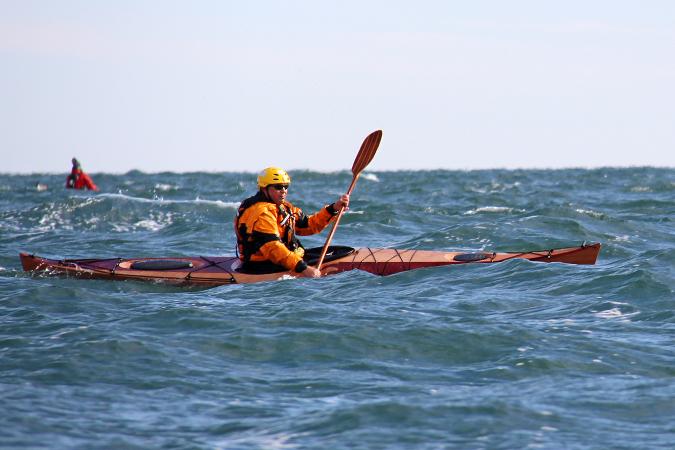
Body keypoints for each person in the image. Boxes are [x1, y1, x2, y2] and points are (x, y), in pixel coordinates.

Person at [235, 167, 349, 278]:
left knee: (338, 251)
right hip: (262, 265)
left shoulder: (282, 207)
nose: (283, 191)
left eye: (286, 187)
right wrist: (303, 268)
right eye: (278, 187)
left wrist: (333, 208)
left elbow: (308, 225)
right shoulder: (261, 213)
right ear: (264, 189)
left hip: (283, 259)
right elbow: (273, 248)